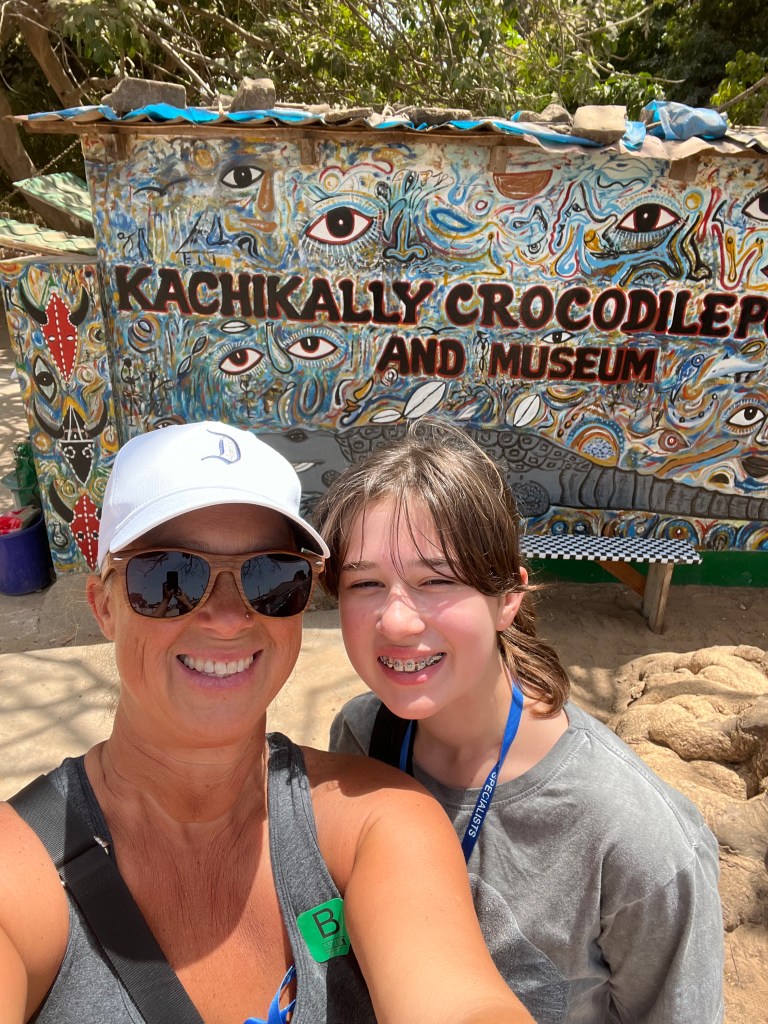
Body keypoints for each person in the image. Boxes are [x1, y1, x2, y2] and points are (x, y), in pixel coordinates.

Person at [0, 420, 534, 1024]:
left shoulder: (375, 822)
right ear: (104, 607)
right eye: (169, 576)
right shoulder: (18, 873)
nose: (229, 618)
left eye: (272, 576)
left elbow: (460, 999)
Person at [314, 421, 725, 1024]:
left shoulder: (638, 839)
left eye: (437, 580)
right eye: (366, 582)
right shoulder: (362, 736)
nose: (396, 622)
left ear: (508, 597)